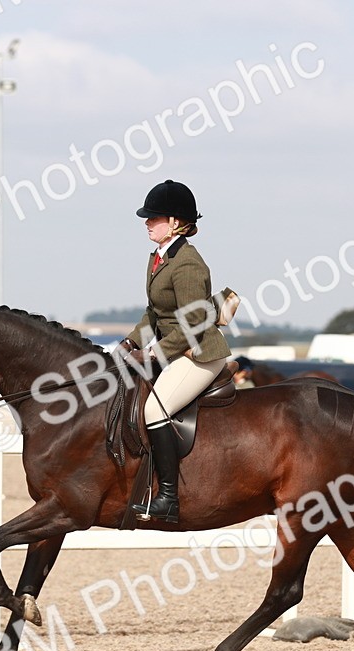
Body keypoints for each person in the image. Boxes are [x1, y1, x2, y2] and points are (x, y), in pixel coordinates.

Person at [121, 180, 231, 523]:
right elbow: (154, 313)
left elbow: (194, 323)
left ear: (173, 222)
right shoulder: (159, 259)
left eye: (153, 218)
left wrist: (154, 356)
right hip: (175, 349)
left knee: (153, 411)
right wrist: (130, 343)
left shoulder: (188, 264)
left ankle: (169, 497)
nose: (146, 222)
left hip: (198, 354)